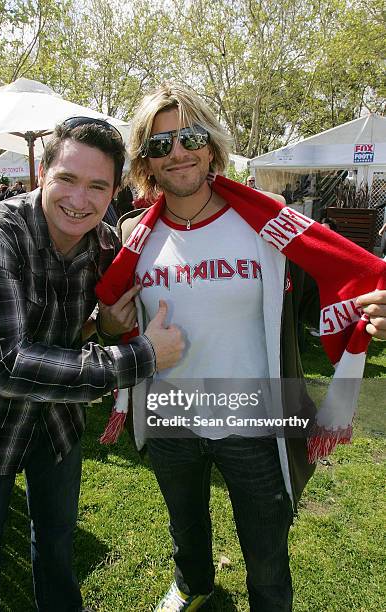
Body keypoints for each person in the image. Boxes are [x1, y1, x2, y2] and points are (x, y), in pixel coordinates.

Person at [98, 83, 386, 612]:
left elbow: (323, 298)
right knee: (184, 522)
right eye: (161, 145)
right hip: (172, 413)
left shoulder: (268, 222)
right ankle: (193, 582)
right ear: (148, 163)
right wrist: (114, 328)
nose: (177, 152)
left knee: (266, 545)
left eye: (188, 137)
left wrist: (370, 315)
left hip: (253, 411)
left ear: (210, 146)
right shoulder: (134, 231)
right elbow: (121, 322)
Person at [0, 117, 184, 612]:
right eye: (67, 179)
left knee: (56, 552)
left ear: (114, 191)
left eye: (97, 186)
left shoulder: (106, 244)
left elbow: (84, 327)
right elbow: (9, 364)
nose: (80, 199)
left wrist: (110, 329)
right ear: (42, 175)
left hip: (57, 427)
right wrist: (140, 356)